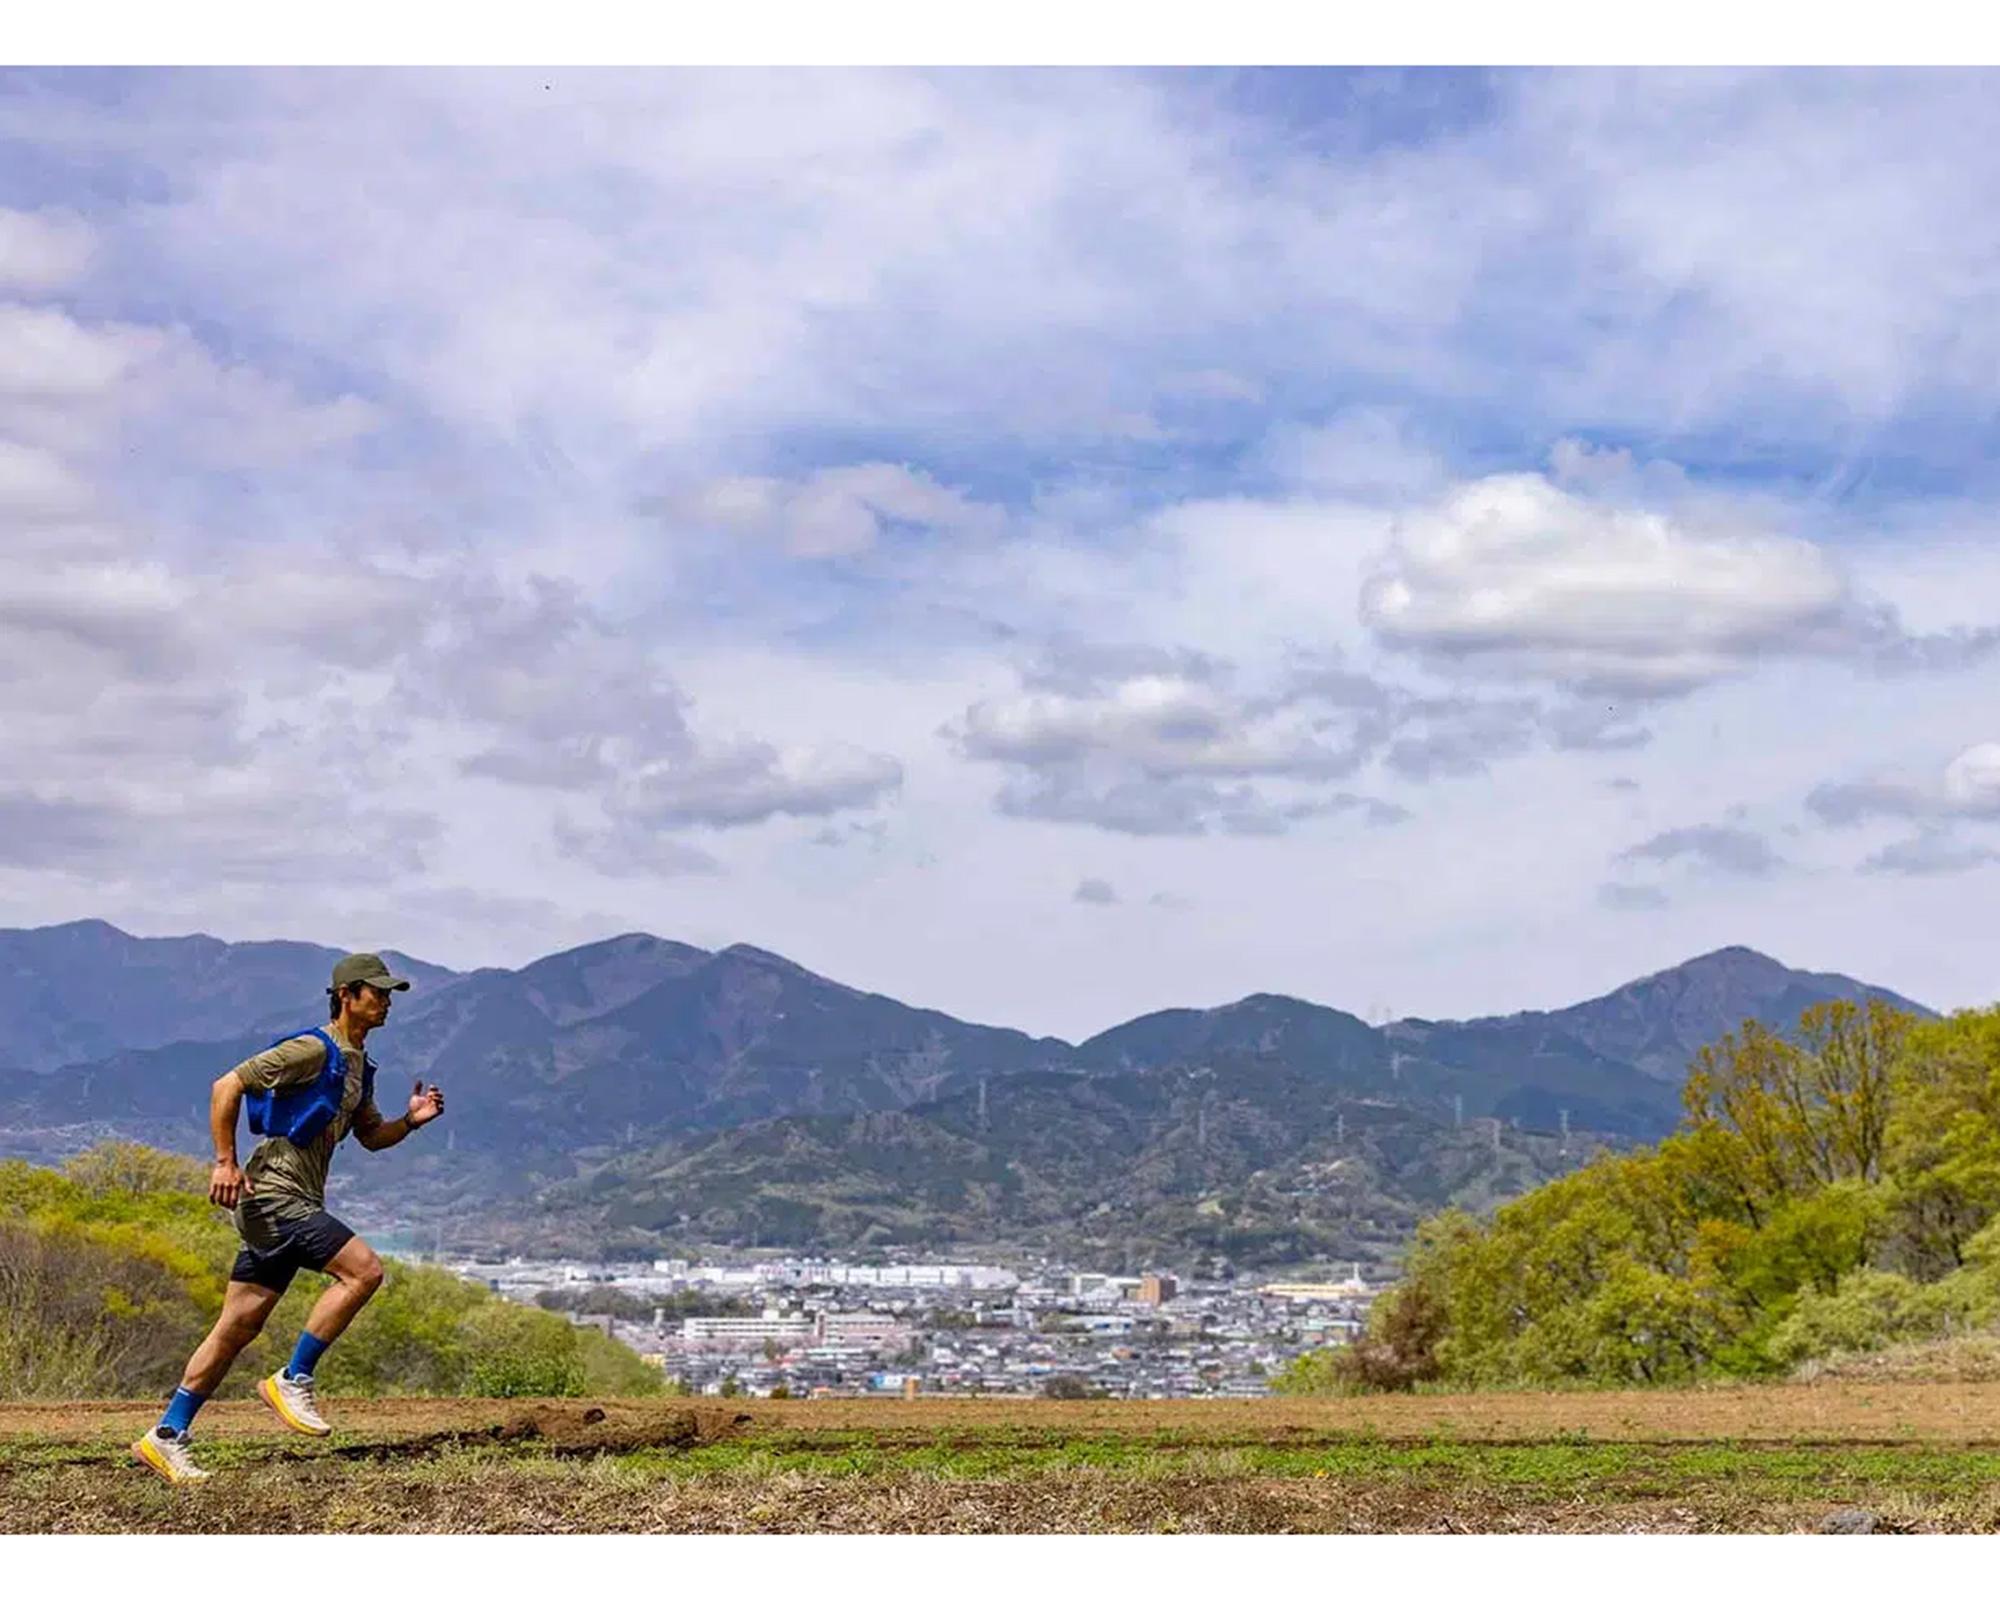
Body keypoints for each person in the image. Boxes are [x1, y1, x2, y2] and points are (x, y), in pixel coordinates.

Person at [132, 952, 445, 1484]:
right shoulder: (310, 1050)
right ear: (346, 995)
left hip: (288, 1205)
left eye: (390, 994)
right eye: (378, 992)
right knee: (363, 1271)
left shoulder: (358, 1069)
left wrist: (410, 1123)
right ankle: (293, 1377)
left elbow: (370, 1137)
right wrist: (225, 1161)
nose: (387, 1002)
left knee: (238, 1327)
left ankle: (165, 1436)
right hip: (275, 1197)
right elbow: (225, 1085)